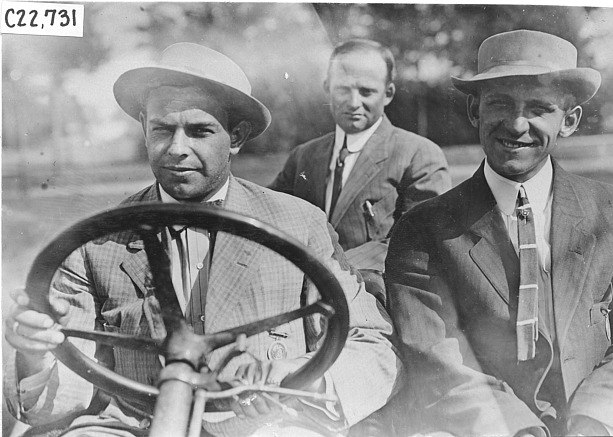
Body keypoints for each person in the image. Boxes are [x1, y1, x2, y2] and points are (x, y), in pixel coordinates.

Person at [4, 43, 401, 437]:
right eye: (162, 129)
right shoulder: (95, 243)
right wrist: (36, 352)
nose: (177, 149)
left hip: (267, 423)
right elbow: (65, 394)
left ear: (236, 136)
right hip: (133, 426)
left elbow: (371, 342)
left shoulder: (297, 224)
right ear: (144, 125)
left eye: (198, 131)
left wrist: (303, 380)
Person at [385, 30, 613, 437]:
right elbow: (437, 358)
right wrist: (515, 429)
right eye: (500, 104)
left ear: (570, 120)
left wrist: (596, 422)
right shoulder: (424, 230)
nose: (516, 124)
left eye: (539, 107)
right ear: (475, 110)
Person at [269, 39, 451, 304]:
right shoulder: (304, 156)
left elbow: (423, 242)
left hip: (377, 302)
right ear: (327, 88)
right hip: (301, 298)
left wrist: (328, 267)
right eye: (343, 90)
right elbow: (266, 215)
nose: (354, 102)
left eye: (367, 92)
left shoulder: (418, 154)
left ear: (388, 93)